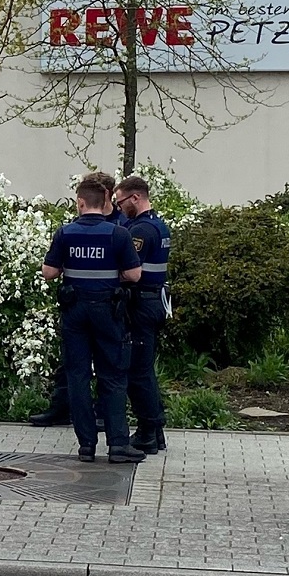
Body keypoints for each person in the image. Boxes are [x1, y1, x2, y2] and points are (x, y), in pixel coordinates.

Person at [41, 178, 145, 463]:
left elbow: (49, 272)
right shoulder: (118, 234)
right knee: (112, 376)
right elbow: (135, 275)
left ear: (81, 202)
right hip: (109, 312)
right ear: (106, 203)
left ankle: (86, 445)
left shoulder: (65, 233)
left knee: (77, 377)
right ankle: (118, 446)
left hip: (75, 312)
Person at [30, 170, 127, 427]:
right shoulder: (97, 228)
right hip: (94, 305)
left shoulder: (118, 226)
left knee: (99, 370)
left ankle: (94, 429)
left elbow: (49, 271)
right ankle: (67, 411)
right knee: (78, 369)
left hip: (105, 304)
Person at [114, 175, 172, 454]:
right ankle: (155, 432)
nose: (120, 207)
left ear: (135, 198)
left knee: (138, 371)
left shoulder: (140, 231)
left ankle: (148, 430)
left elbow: (129, 271)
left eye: (121, 201)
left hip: (140, 304)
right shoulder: (158, 226)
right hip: (154, 302)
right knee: (144, 368)